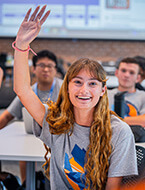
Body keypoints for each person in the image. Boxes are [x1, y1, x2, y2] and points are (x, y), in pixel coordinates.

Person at [12, 5, 138, 190]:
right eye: (77, 82)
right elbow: (22, 89)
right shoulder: (55, 122)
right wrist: (21, 45)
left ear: (103, 90)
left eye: (93, 83)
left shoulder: (119, 132)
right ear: (67, 87)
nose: (84, 90)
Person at [0, 49, 63, 184]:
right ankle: (25, 184)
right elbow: (6, 116)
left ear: (55, 70)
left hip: (59, 137)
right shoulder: (28, 92)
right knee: (24, 155)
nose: (46, 69)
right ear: (33, 69)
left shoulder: (65, 89)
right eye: (41, 65)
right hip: (32, 137)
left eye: (50, 66)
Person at [108, 57, 145, 128]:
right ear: (116, 73)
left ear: (138, 78)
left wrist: (112, 120)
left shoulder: (143, 96)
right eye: (123, 70)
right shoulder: (105, 95)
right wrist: (134, 120)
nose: (126, 75)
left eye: (132, 72)